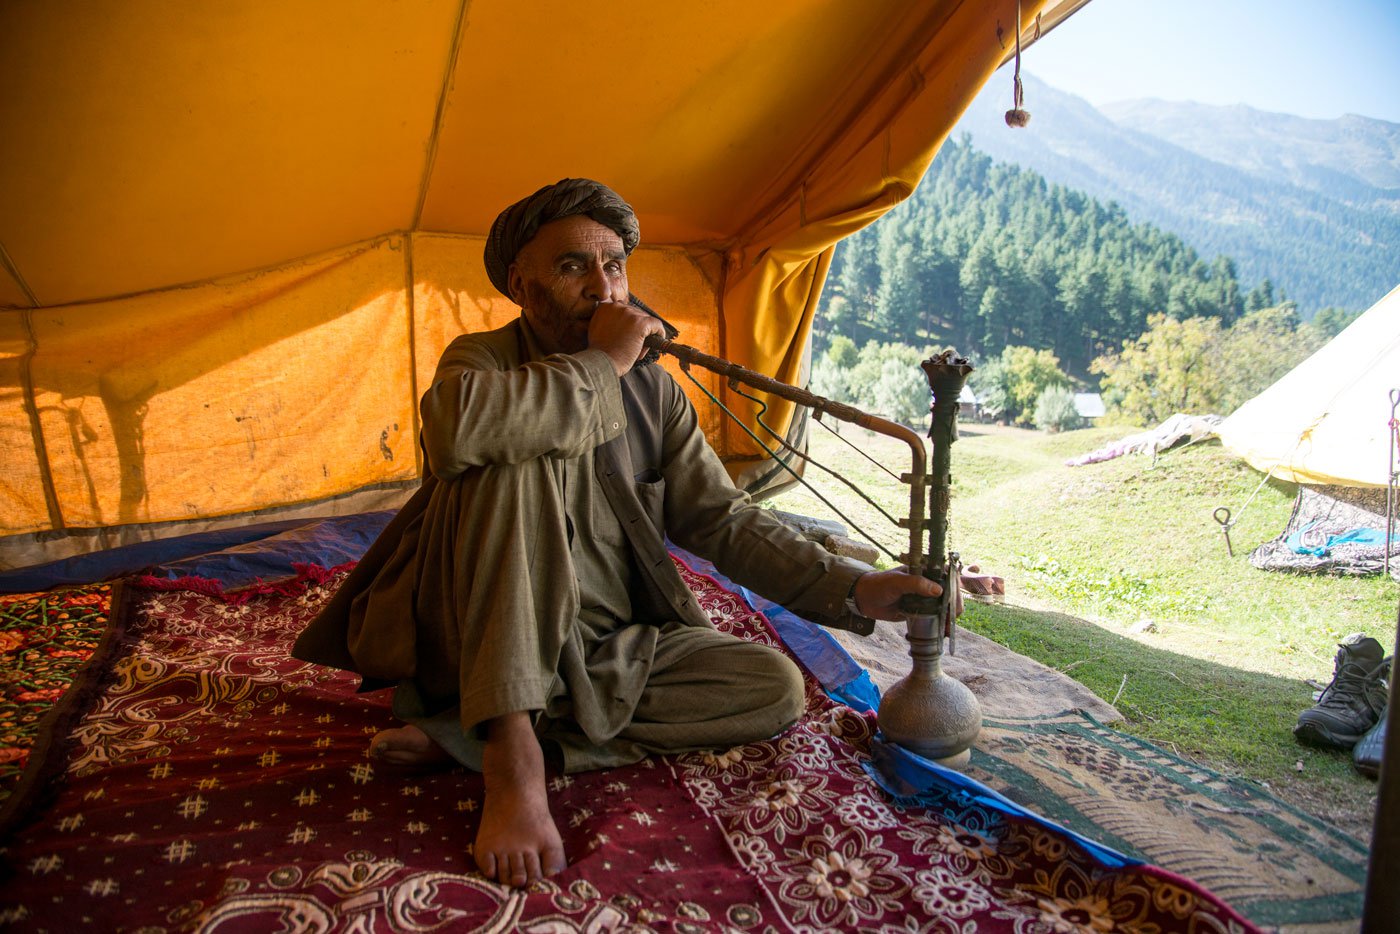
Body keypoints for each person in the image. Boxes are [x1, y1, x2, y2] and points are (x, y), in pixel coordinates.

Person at [293, 178, 987, 888]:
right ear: (521, 284)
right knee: (519, 450)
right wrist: (605, 364)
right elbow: (459, 431)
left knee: (772, 685)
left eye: (615, 264)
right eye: (572, 267)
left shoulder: (655, 391)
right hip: (479, 631)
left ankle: (469, 736)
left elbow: (720, 517)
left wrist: (856, 588)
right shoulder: (481, 361)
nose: (604, 286)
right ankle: (508, 747)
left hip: (603, 649)